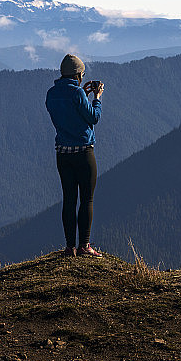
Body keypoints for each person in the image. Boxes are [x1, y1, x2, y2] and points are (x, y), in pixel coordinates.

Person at [45, 54, 104, 258]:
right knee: (86, 199)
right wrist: (96, 97)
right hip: (84, 152)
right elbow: (93, 118)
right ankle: (84, 245)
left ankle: (69, 247)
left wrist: (82, 96)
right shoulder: (78, 93)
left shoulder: (51, 94)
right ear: (79, 74)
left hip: (62, 153)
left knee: (69, 199)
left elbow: (68, 116)